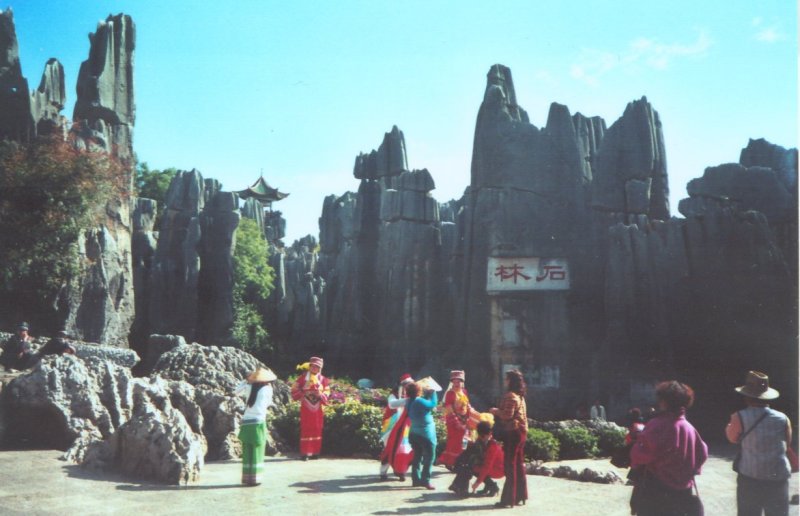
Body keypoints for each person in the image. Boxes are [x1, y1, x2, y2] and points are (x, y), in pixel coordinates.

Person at [630, 381, 707, 516]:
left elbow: (640, 455)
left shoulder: (657, 424)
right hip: (683, 493)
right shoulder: (690, 428)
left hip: (656, 491)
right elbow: (702, 454)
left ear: (664, 401)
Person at [725, 370, 792, 516]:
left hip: (750, 478)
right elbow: (788, 442)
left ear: (746, 396)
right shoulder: (783, 418)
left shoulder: (739, 417)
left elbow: (732, 438)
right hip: (777, 479)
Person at [490, 369, 528, 508]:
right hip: (521, 433)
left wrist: (495, 411)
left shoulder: (511, 396)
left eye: (506, 379)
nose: (505, 381)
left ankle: (508, 500)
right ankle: (520, 496)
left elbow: (507, 415)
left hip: (513, 432)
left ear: (510, 381)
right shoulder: (520, 396)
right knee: (518, 465)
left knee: (510, 465)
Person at [235, 367, 277, 486]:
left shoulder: (249, 387)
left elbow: (236, 392)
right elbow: (268, 403)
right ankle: (256, 478)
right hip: (258, 421)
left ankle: (247, 477)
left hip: (247, 421)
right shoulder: (268, 389)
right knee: (257, 449)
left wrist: (246, 381)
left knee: (247, 449)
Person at [449, 420, 504, 498]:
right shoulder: (481, 440)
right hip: (490, 466)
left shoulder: (493, 446)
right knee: (467, 463)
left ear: (490, 434)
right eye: (480, 435)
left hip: (499, 469)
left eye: (483, 436)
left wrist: (477, 483)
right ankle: (458, 485)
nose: (481, 438)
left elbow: (486, 466)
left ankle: (493, 487)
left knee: (473, 468)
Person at [291, 356, 330, 460]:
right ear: (310, 366)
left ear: (320, 368)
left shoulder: (323, 379)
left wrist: (320, 395)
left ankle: (315, 452)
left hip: (317, 408)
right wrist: (303, 391)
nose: (314, 368)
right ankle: (305, 453)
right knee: (306, 427)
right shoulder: (303, 378)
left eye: (317, 367)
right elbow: (294, 389)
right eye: (313, 366)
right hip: (306, 407)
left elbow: (327, 391)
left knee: (317, 428)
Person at [379, 373, 415, 481]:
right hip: (391, 426)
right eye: (405, 385)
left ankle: (401, 471)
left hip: (406, 426)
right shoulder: (394, 395)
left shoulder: (413, 397)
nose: (407, 387)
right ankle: (383, 471)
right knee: (390, 447)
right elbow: (392, 404)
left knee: (405, 449)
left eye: (410, 385)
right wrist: (408, 401)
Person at [437, 370, 472, 469]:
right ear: (451, 382)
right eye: (454, 382)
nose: (457, 384)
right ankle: (452, 462)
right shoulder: (450, 393)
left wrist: (472, 415)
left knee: (462, 442)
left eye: (459, 381)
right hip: (453, 421)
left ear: (463, 382)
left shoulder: (464, 392)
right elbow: (449, 409)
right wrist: (457, 422)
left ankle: (453, 462)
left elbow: (467, 405)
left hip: (464, 420)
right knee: (455, 442)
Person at [406, 381, 438, 489]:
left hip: (414, 433)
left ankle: (416, 479)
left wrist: (426, 395)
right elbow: (432, 403)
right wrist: (433, 392)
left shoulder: (410, 401)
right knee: (429, 457)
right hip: (425, 434)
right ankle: (426, 480)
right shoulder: (419, 402)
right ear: (418, 391)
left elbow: (423, 401)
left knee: (417, 456)